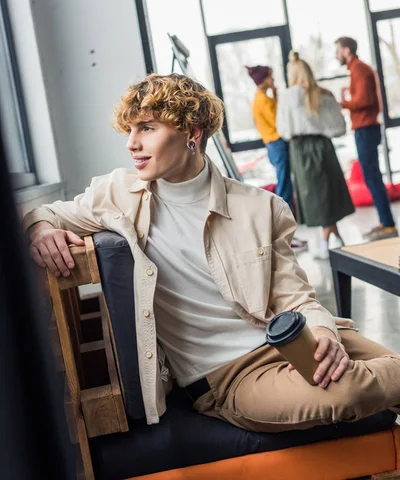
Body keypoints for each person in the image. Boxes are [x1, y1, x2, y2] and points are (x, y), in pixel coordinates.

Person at [24, 73, 400, 432]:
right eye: (131, 129)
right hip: (231, 376)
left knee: (389, 369)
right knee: (349, 390)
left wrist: (322, 329)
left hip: (294, 341)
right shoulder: (119, 194)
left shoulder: (260, 206)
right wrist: (39, 227)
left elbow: (294, 296)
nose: (131, 143)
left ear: (191, 133)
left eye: (148, 128)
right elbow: (45, 213)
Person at [277, 52, 355, 260]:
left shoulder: (287, 96)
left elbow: (283, 130)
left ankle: (325, 239)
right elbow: (339, 127)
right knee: (328, 191)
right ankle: (334, 236)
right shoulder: (325, 94)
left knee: (314, 195)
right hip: (324, 145)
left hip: (300, 149)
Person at [335, 36, 398, 241]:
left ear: (346, 50)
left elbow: (364, 100)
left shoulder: (359, 69)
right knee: (372, 178)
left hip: (366, 129)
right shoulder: (357, 69)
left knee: (372, 178)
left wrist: (343, 102)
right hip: (365, 129)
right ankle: (385, 222)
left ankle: (388, 225)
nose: (336, 55)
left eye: (338, 50)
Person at [247, 64, 307, 253]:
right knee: (285, 189)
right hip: (277, 145)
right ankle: (286, 234)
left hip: (275, 145)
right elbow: (280, 122)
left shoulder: (263, 98)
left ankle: (288, 233)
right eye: (271, 77)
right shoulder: (262, 100)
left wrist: (276, 95)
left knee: (286, 186)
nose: (273, 80)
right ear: (264, 79)